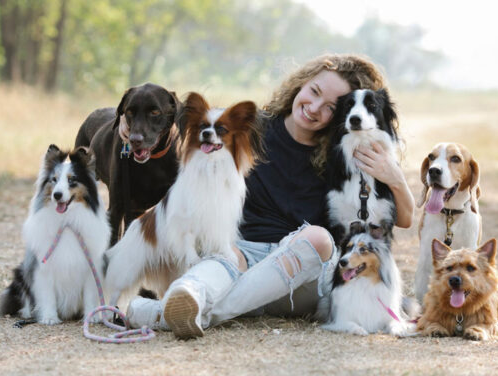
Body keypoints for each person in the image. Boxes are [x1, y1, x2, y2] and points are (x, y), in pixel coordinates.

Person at [126, 54, 415, 339]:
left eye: (329, 107)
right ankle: (188, 298)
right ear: (301, 84)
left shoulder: (341, 156)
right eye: (313, 92)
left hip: (300, 273)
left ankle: (159, 314)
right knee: (225, 253)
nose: (314, 108)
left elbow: (404, 218)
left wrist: (395, 177)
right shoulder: (251, 127)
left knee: (318, 238)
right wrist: (126, 130)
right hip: (239, 256)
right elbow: (188, 123)